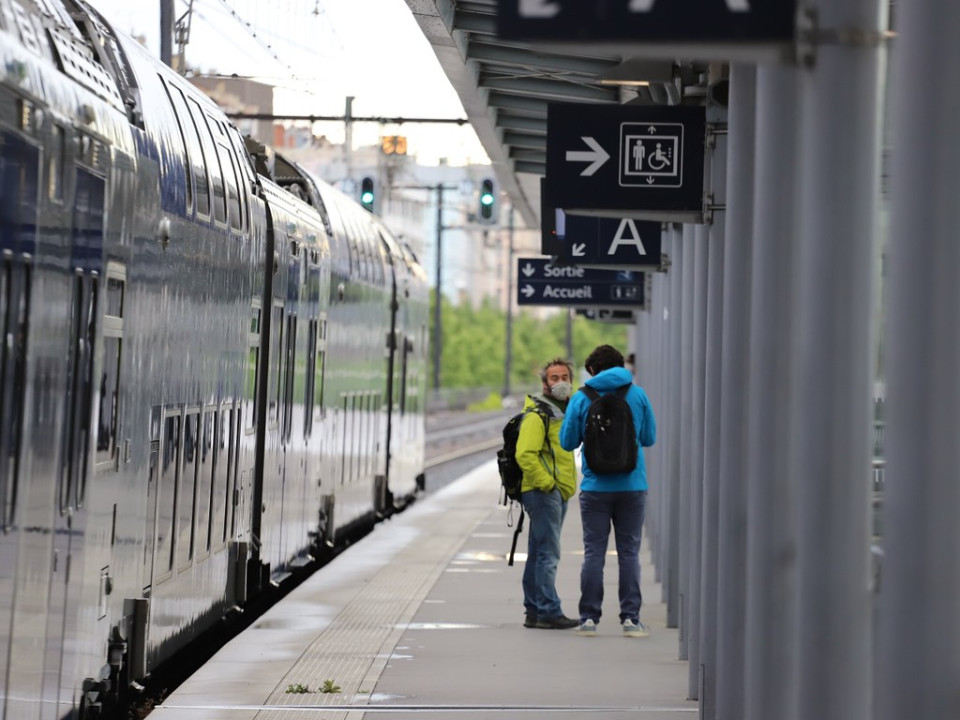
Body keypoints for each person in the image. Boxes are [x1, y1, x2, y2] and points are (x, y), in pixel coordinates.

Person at [559, 344, 656, 637]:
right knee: (629, 553)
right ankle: (630, 619)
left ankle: (589, 618)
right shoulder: (637, 395)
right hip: (632, 486)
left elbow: (567, 442)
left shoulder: (582, 397)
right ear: (621, 366)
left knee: (594, 553)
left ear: (591, 370)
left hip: (595, 487)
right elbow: (649, 438)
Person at [515, 358, 579, 629]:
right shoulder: (538, 414)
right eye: (554, 378)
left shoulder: (564, 411)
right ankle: (549, 611)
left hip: (555, 491)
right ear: (545, 383)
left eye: (565, 377)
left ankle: (534, 610)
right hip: (543, 492)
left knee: (539, 550)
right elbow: (525, 454)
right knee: (548, 553)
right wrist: (547, 483)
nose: (561, 382)